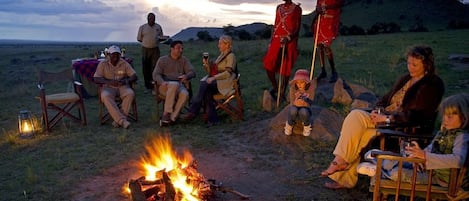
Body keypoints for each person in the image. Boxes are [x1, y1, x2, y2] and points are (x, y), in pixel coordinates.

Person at [320, 45, 445, 189]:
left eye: (415, 64)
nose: (410, 67)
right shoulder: (405, 79)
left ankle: (340, 162)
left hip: (402, 128)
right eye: (409, 63)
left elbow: (416, 116)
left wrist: (387, 119)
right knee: (361, 132)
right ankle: (344, 178)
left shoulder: (432, 85)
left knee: (355, 116)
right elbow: (385, 100)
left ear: (427, 65)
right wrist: (378, 111)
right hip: (385, 120)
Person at [359, 93, 469, 188]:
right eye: (444, 116)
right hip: (427, 169)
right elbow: (430, 149)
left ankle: (378, 171)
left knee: (396, 173)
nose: (445, 120)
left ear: (464, 118)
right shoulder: (442, 133)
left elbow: (457, 160)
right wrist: (419, 156)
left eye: (450, 117)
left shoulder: (462, 137)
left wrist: (425, 156)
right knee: (384, 157)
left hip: (440, 179)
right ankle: (379, 165)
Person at [181, 35, 237, 127]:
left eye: (220, 43)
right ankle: (213, 119)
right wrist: (206, 64)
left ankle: (193, 110)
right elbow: (211, 72)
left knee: (204, 83)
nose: (218, 45)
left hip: (226, 83)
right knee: (207, 91)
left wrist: (213, 78)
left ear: (227, 45)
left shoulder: (231, 56)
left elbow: (228, 73)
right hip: (219, 82)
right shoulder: (221, 55)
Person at [263, 0, 302, 100]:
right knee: (268, 64)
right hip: (276, 40)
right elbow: (275, 25)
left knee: (285, 67)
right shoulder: (278, 7)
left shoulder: (297, 9)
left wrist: (288, 38)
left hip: (289, 41)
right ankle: (276, 88)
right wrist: (271, 40)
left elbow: (297, 28)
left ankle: (282, 94)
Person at [94, 45, 138, 129]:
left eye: (117, 54)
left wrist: (126, 81)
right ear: (108, 55)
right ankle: (122, 121)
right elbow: (96, 78)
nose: (115, 56)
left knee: (130, 93)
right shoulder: (103, 64)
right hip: (108, 86)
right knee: (105, 96)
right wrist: (109, 82)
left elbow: (134, 76)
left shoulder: (124, 63)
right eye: (113, 54)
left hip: (122, 86)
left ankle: (118, 121)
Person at [152, 40, 196, 124]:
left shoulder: (184, 60)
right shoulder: (163, 60)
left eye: (182, 48)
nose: (181, 50)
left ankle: (172, 118)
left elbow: (192, 72)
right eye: (178, 48)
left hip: (179, 86)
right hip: (165, 86)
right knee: (174, 84)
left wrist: (186, 76)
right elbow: (156, 74)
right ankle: (166, 113)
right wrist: (162, 82)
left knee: (185, 94)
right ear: (171, 49)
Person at [312, 0, 342, 83]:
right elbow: (318, 6)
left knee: (326, 45)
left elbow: (339, 3)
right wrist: (317, 10)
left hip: (330, 20)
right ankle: (323, 71)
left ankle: (333, 71)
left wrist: (325, 7)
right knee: (319, 46)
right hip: (320, 21)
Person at [137, 12, 164, 94]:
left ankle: (154, 87)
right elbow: (139, 39)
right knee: (146, 68)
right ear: (147, 19)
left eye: (153, 18)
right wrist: (147, 42)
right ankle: (147, 86)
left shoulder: (158, 27)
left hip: (155, 49)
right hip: (145, 49)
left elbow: (161, 37)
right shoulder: (143, 27)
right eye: (150, 18)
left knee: (155, 68)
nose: (152, 20)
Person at [284, 69, 315, 137]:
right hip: (295, 107)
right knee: (293, 110)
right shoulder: (293, 88)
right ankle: (289, 124)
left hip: (305, 108)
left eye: (302, 82)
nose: (299, 84)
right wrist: (296, 102)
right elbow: (291, 101)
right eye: (297, 82)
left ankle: (306, 125)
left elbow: (310, 102)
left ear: (306, 82)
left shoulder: (310, 89)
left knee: (303, 111)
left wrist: (305, 102)